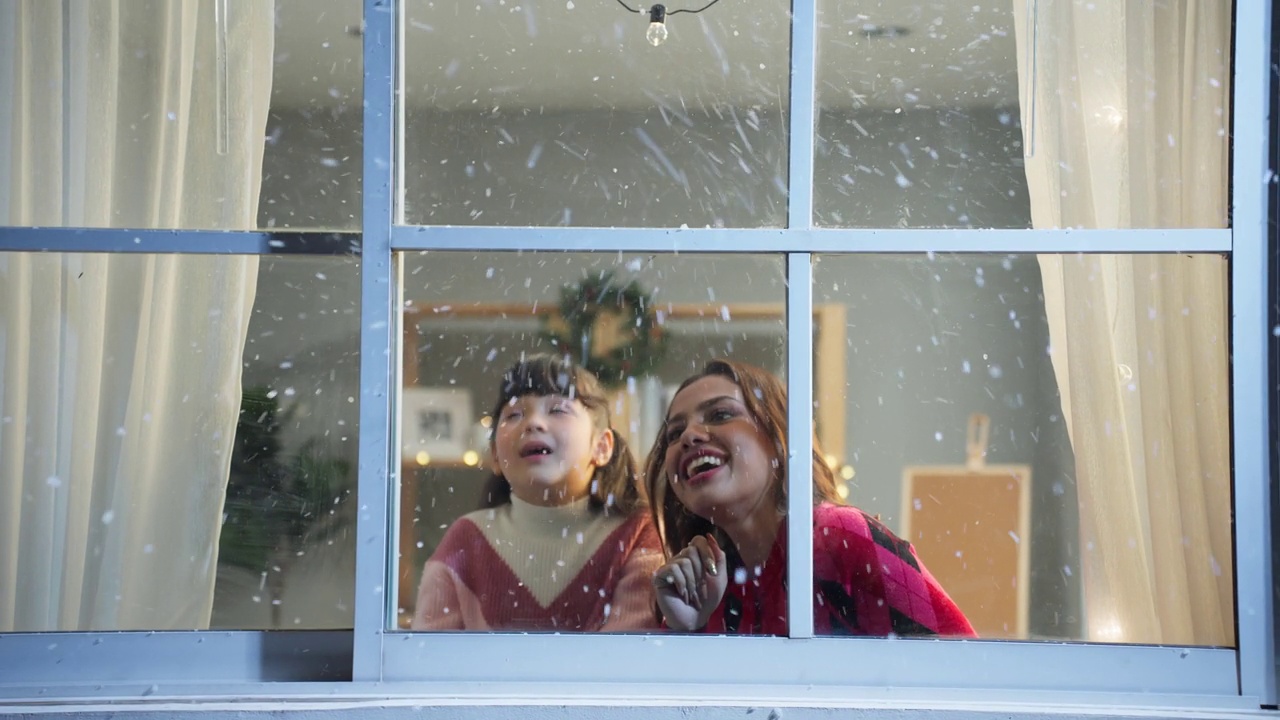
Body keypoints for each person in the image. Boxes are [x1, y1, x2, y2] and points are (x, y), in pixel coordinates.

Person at [643, 358, 976, 637]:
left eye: (721, 415)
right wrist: (685, 629)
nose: (689, 436)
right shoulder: (706, 586)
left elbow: (967, 677)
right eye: (675, 433)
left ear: (779, 437)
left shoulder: (838, 536)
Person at [412, 354, 663, 631]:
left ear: (602, 447)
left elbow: (630, 659)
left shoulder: (639, 533)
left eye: (557, 410)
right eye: (514, 414)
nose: (533, 423)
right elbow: (431, 658)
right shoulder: (464, 540)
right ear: (495, 453)